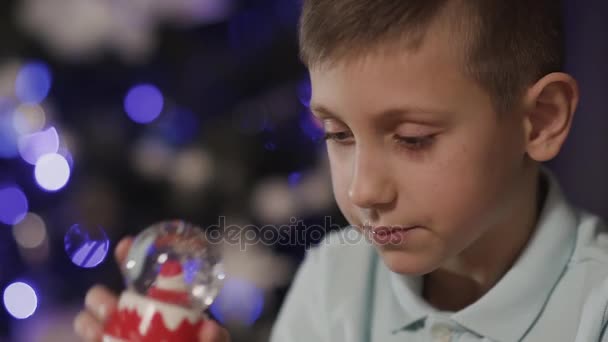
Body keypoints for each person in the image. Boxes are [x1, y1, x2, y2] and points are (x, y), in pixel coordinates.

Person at [75, 0, 608, 341]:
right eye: (338, 135)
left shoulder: (596, 309)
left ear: (539, 121)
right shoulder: (336, 280)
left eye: (413, 138)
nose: (362, 188)